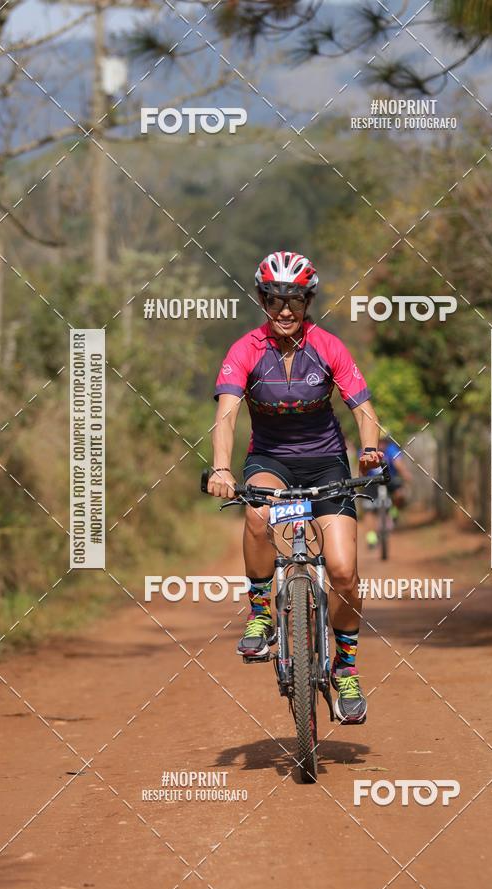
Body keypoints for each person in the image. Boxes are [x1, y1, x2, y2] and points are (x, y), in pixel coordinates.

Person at [207, 250, 384, 724]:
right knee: (259, 514)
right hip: (270, 462)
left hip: (327, 463)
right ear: (262, 300)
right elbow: (226, 416)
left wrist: (369, 449)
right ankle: (262, 612)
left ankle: (345, 668)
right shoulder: (245, 350)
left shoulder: (329, 347)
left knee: (344, 570)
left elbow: (362, 409)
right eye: (274, 299)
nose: (285, 310)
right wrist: (222, 470)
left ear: (308, 302)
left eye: (295, 300)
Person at [362, 436, 411, 550]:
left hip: (389, 479)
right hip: (371, 481)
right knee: (369, 508)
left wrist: (405, 474)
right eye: (380, 441)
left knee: (400, 493)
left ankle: (393, 513)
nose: (382, 444)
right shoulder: (367, 449)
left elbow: (399, 463)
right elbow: (361, 468)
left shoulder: (392, 449)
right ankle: (371, 537)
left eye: (384, 441)